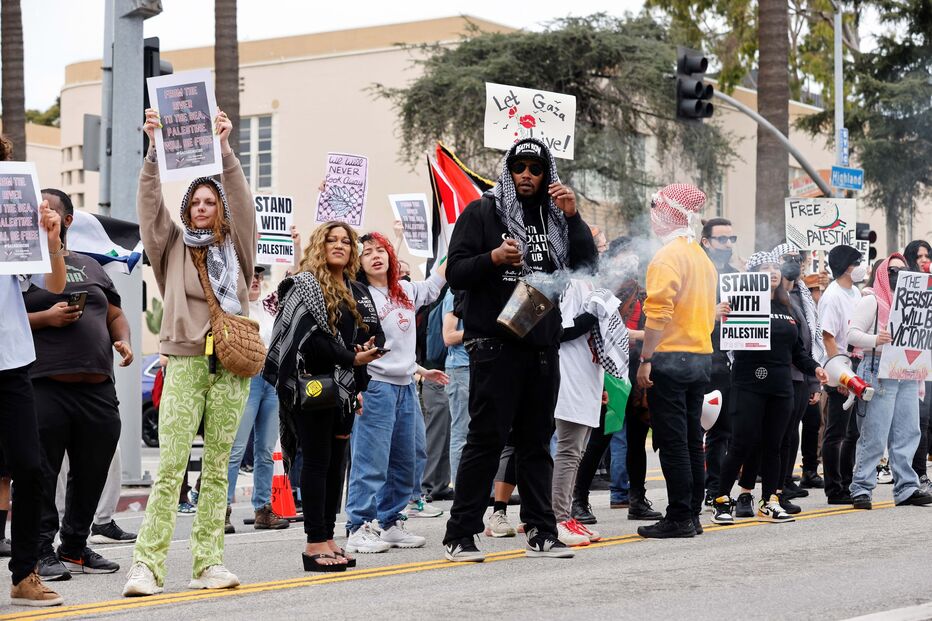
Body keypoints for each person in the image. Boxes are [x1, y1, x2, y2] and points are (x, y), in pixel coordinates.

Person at [442, 138, 597, 562]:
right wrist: (493, 256)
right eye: (519, 166)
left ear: (547, 174)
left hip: (543, 347)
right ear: (507, 170)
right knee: (486, 440)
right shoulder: (483, 211)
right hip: (495, 345)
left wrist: (574, 216)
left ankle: (542, 532)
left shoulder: (556, 216)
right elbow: (455, 272)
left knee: (535, 442)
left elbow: (586, 267)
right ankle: (461, 534)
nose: (527, 174)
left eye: (536, 168)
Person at [123, 108, 255, 596]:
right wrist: (155, 147)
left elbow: (242, 200)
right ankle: (146, 567)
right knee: (172, 466)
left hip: (232, 365)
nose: (202, 207)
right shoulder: (169, 245)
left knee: (218, 466)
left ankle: (208, 564)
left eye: (209, 201)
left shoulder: (238, 246)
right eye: (194, 202)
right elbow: (149, 205)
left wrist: (224, 148)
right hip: (183, 360)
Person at [263, 221, 384, 572]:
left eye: (346, 241)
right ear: (320, 245)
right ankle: (314, 541)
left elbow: (364, 336)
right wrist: (350, 357)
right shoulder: (303, 285)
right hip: (312, 386)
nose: (340, 245)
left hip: (344, 390)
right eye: (332, 239)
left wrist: (358, 379)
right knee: (316, 461)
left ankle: (329, 537)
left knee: (336, 463)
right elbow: (308, 340)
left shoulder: (355, 289)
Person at [25, 188, 131, 581]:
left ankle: (74, 547)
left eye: (50, 210)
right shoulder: (22, 268)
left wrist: (124, 340)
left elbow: (115, 313)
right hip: (44, 383)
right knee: (41, 472)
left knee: (92, 471)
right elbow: (7, 315)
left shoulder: (91, 265)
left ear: (68, 220)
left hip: (98, 386)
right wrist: (45, 318)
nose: (43, 215)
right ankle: (39, 550)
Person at [344, 232, 446, 552]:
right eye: (367, 253)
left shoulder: (404, 290)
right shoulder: (358, 295)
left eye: (380, 250)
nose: (376, 256)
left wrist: (454, 245)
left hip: (405, 386)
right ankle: (358, 526)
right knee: (371, 461)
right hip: (375, 386)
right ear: (358, 263)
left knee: (410, 458)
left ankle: (390, 522)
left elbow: (433, 285)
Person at [711, 251, 828, 525]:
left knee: (775, 445)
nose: (773, 272)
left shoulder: (786, 306)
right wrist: (722, 317)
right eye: (765, 267)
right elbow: (724, 342)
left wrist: (814, 368)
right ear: (752, 274)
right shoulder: (739, 304)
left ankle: (769, 502)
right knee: (741, 443)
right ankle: (721, 500)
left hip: (780, 384)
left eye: (776, 267)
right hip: (748, 382)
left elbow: (797, 351)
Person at [0, 135, 67, 606]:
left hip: (11, 363)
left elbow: (55, 285)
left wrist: (51, 240)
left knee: (29, 465)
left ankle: (24, 573)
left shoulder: (12, 210)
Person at [636, 183, 717, 539]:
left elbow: (657, 315)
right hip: (700, 358)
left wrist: (646, 358)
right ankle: (692, 515)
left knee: (674, 443)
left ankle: (680, 516)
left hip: (671, 359)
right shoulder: (701, 256)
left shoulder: (668, 256)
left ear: (669, 214)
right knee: (690, 440)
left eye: (657, 210)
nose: (653, 217)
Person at [847, 253, 932, 508]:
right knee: (874, 433)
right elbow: (851, 334)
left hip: (906, 371)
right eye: (892, 271)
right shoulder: (872, 300)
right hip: (878, 369)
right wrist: (876, 340)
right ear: (882, 274)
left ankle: (906, 487)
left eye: (902, 270)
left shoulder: (913, 304)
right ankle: (861, 487)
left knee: (908, 431)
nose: (897, 275)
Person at [224, 263, 297, 534]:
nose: (255, 280)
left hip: (271, 380)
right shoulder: (234, 307)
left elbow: (292, 276)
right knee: (236, 449)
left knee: (266, 450)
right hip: (246, 379)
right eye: (249, 276)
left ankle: (263, 508)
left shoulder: (269, 305)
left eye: (258, 275)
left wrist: (296, 245)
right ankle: (222, 510)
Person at [773, 243, 825, 508]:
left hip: (803, 373)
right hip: (781, 373)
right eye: (787, 258)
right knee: (780, 432)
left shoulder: (802, 293)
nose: (794, 262)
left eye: (798, 258)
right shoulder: (774, 296)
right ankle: (775, 485)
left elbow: (810, 339)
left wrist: (814, 378)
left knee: (793, 430)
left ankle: (785, 481)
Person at [819, 244, 865, 505]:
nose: (861, 267)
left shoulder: (855, 292)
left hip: (855, 365)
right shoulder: (832, 296)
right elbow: (827, 337)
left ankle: (847, 482)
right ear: (846, 266)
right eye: (857, 262)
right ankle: (834, 488)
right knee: (836, 432)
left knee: (852, 432)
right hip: (839, 370)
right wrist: (841, 374)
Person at [698, 218, 738, 506]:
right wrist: (709, 313)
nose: (726, 245)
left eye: (731, 240)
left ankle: (715, 491)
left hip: (730, 363)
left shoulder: (737, 277)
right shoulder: (697, 274)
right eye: (721, 239)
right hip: (700, 360)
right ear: (706, 242)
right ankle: (690, 492)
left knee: (723, 430)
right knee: (695, 429)